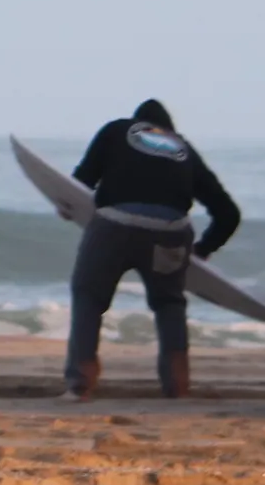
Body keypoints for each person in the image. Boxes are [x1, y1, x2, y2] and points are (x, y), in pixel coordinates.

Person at [62, 99, 241, 400]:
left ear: (136, 122)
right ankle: (177, 387)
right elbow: (229, 214)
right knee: (169, 303)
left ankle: (80, 385)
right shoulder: (184, 149)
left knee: (89, 297)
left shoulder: (115, 130)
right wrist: (203, 249)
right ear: (169, 129)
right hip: (171, 233)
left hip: (115, 227)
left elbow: (80, 185)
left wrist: (67, 207)